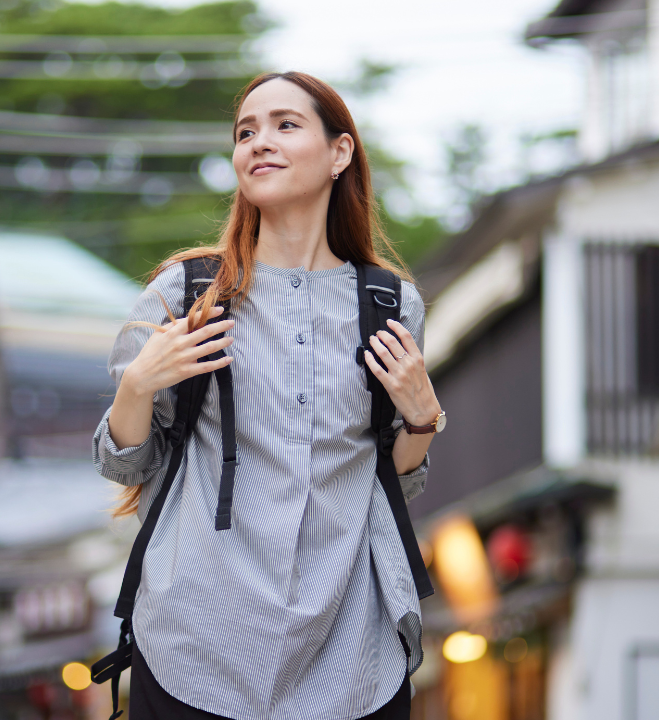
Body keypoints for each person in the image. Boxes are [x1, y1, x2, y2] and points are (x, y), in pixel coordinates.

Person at [92, 71, 444, 720]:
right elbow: (124, 466)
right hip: (197, 644)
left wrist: (422, 420)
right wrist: (140, 383)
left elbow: (385, 481)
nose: (259, 142)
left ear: (340, 153)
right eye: (245, 132)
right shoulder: (187, 295)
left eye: (285, 125)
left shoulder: (391, 306)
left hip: (349, 651)